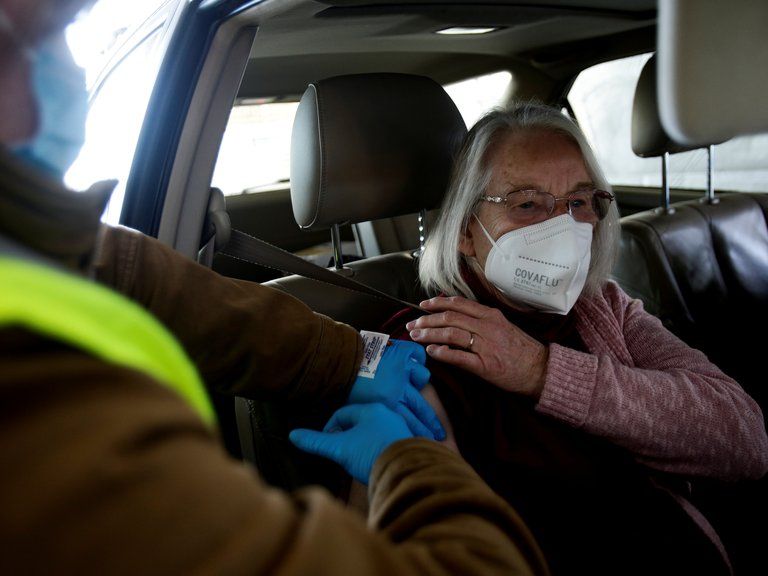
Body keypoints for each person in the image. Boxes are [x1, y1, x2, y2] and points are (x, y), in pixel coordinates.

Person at [0, 2, 550, 574]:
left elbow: (131, 271)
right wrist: (407, 459)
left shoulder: (42, 253)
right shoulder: (35, 399)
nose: (66, 72)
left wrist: (353, 356)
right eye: (50, 34)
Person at [385, 103, 768, 575]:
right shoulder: (425, 341)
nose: (564, 227)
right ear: (466, 230)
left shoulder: (602, 308)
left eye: (580, 202)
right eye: (527, 203)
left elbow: (744, 440)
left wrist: (542, 372)